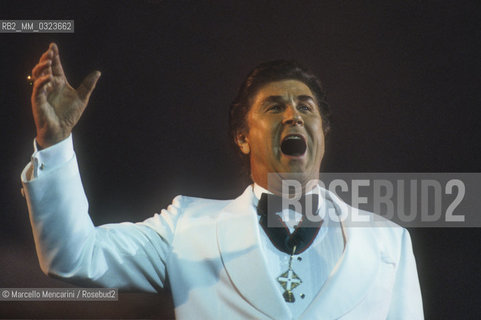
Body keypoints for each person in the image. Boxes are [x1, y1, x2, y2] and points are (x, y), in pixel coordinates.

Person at [21, 43, 424, 319]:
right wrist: (54, 144)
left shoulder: (388, 241)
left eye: (305, 106)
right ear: (243, 137)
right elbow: (74, 256)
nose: (293, 116)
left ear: (324, 131)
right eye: (274, 106)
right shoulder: (186, 228)